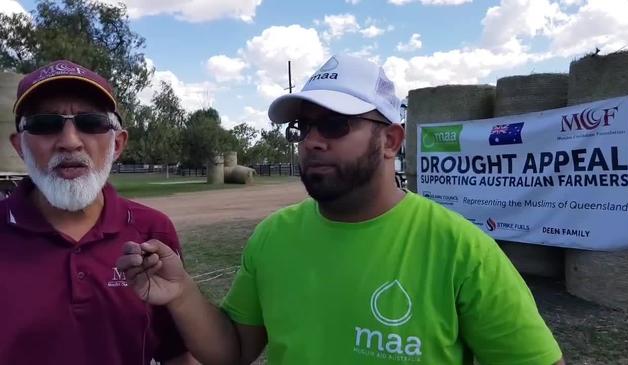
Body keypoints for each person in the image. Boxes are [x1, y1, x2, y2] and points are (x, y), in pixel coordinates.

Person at [117, 54, 565, 365]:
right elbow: (233, 351)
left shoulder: (461, 249)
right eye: (304, 126)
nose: (312, 140)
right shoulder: (274, 237)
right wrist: (182, 294)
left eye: (334, 124)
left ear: (391, 140)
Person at [0, 60, 196, 365]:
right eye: (44, 124)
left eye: (91, 123)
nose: (69, 142)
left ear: (117, 144)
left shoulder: (153, 231)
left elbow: (176, 353)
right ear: (19, 147)